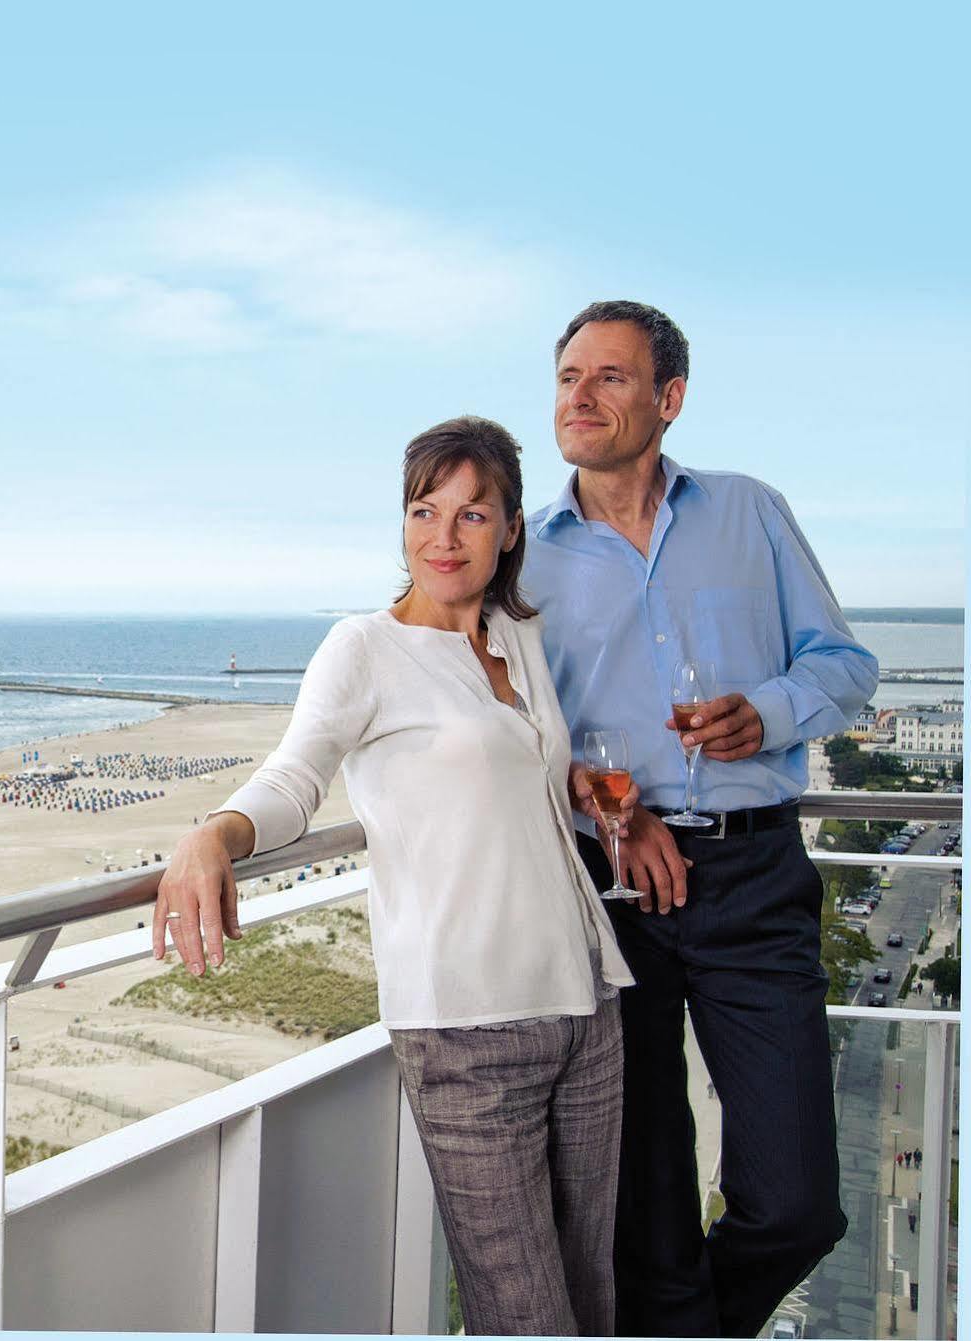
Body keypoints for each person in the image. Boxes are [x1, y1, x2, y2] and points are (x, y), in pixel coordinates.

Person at [154, 416, 636, 1335]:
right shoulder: (363, 648)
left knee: (593, 1299)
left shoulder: (515, 636)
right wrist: (214, 832)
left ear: (509, 529)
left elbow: (517, 769)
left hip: (588, 1005)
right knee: (525, 1317)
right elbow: (296, 777)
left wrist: (572, 781)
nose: (443, 538)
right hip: (465, 1026)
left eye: (471, 514)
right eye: (424, 511)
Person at [520, 300, 877, 1337]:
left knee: (796, 1203)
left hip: (755, 879)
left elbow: (845, 666)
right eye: (566, 377)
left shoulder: (749, 512)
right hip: (604, 891)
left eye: (610, 378)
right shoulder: (522, 558)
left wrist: (762, 714)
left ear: (668, 399)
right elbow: (506, 733)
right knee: (649, 1214)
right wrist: (595, 796)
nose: (578, 398)